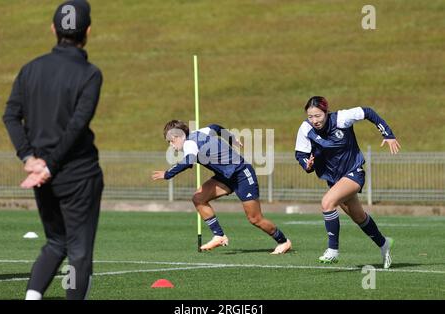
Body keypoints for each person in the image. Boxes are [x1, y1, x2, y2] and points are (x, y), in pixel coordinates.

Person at [2, 0, 103, 299]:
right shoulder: (90, 74)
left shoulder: (30, 69)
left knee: (56, 242)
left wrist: (29, 157)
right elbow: (76, 125)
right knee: (79, 252)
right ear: (87, 31)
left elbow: (10, 115)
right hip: (78, 174)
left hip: (41, 175)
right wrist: (49, 165)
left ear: (52, 29)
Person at [152, 120, 292, 254]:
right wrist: (231, 139)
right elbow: (215, 127)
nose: (171, 145)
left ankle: (283, 241)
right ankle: (219, 236)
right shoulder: (200, 132)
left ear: (178, 136)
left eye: (170, 141)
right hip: (225, 177)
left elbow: (188, 161)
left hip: (241, 174)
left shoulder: (189, 144)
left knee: (255, 219)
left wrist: (168, 174)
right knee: (198, 198)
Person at [295, 96, 400, 268]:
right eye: (310, 116)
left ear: (326, 112)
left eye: (318, 116)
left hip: (354, 172)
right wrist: (306, 165)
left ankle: (333, 250)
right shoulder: (306, 128)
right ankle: (384, 243)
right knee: (359, 217)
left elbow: (368, 112)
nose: (314, 120)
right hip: (334, 180)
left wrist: (387, 133)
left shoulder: (342, 118)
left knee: (327, 202)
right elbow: (301, 154)